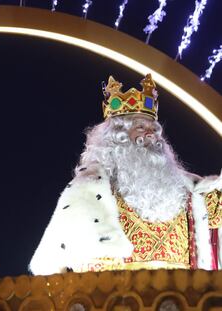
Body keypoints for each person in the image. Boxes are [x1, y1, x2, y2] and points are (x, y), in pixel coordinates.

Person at [29, 74, 222, 274]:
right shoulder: (87, 191)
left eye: (153, 129)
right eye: (140, 127)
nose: (150, 134)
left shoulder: (190, 191)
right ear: (117, 137)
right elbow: (54, 265)